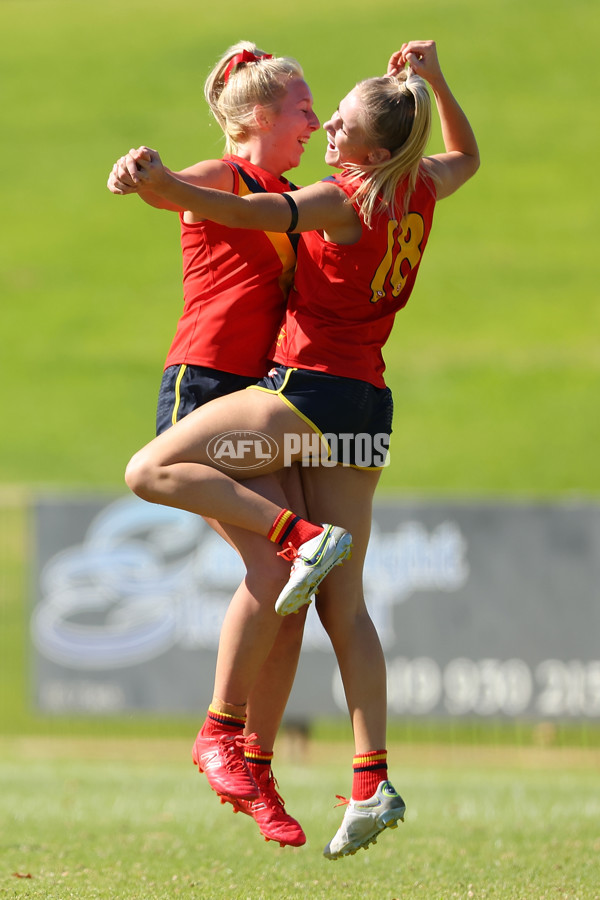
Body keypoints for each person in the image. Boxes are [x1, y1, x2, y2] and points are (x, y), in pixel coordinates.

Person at [121, 39, 480, 859]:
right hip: (367, 411)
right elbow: (467, 154)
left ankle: (241, 722)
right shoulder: (421, 183)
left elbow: (253, 214)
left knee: (152, 472)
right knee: (339, 607)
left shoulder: (341, 197)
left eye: (340, 119)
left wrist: (161, 186)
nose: (327, 126)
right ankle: (368, 777)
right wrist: (434, 81)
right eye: (318, 111)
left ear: (372, 148)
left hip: (307, 392)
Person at [107, 41, 347, 849]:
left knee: (292, 593)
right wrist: (140, 170)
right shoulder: (226, 177)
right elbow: (163, 188)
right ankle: (221, 734)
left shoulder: (292, 195)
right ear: (257, 119)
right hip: (204, 391)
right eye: (303, 109)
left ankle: (253, 759)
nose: (315, 122)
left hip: (259, 403)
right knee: (280, 564)